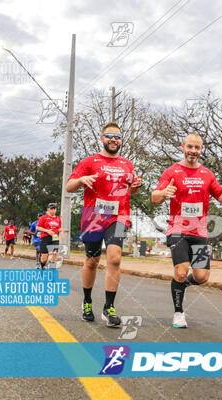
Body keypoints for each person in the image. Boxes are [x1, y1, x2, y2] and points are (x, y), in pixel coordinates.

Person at [151, 133, 222, 328]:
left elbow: (221, 197)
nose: (193, 151)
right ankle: (178, 312)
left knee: (201, 277)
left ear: (201, 150)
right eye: (190, 147)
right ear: (183, 147)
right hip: (178, 230)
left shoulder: (207, 174)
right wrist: (164, 193)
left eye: (197, 148)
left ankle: (179, 284)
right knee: (181, 271)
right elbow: (155, 197)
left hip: (199, 233)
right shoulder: (172, 171)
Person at [66, 121, 141, 327]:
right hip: (94, 217)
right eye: (109, 136)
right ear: (102, 138)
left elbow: (130, 191)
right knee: (92, 260)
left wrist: (134, 186)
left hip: (119, 216)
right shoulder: (90, 162)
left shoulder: (127, 164)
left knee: (114, 259)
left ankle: (109, 308)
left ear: (121, 140)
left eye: (117, 137)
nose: (113, 140)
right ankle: (87, 302)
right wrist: (82, 180)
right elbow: (69, 186)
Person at [36, 204, 62, 269]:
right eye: (51, 209)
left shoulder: (58, 218)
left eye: (54, 209)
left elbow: (59, 228)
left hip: (55, 238)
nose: (53, 210)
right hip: (45, 238)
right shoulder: (43, 217)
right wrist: (47, 231)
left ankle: (51, 271)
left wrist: (62, 232)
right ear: (48, 209)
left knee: (55, 253)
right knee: (44, 259)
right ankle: (41, 266)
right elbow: (37, 227)